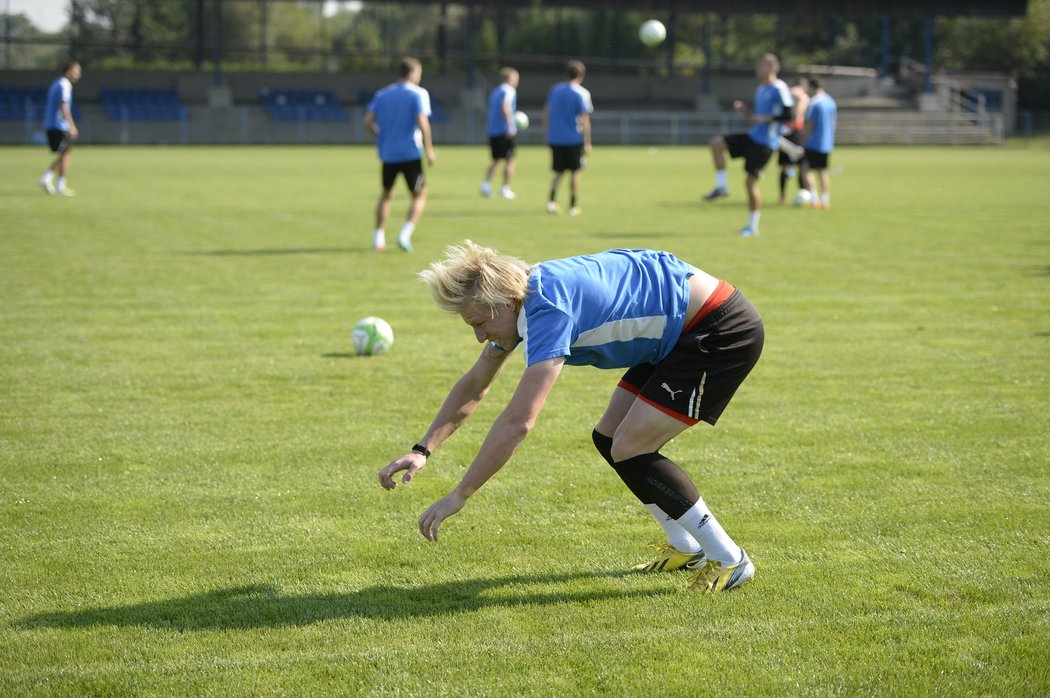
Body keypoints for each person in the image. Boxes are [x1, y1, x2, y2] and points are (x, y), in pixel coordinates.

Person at [378, 241, 765, 593]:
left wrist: (460, 495)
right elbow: (476, 385)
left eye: (479, 324)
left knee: (631, 447)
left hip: (716, 329)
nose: (480, 337)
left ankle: (730, 557)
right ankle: (687, 547)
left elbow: (518, 422)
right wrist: (423, 449)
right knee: (610, 438)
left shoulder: (548, 310)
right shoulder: (524, 296)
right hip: (677, 333)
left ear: (503, 303)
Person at [703, 53, 794, 237]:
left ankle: (752, 227)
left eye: (761, 65)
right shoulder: (761, 89)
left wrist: (765, 118)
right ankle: (722, 186)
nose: (757, 68)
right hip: (753, 137)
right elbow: (756, 117)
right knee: (716, 144)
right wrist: (745, 111)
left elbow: (788, 114)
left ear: (772, 67)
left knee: (750, 183)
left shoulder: (779, 88)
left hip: (765, 144)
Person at [363, 56, 437, 253]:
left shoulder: (383, 94)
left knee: (386, 194)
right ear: (412, 73)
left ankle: (378, 237)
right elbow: (423, 123)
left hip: (388, 154)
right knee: (419, 195)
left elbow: (367, 122)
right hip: (410, 153)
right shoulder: (418, 94)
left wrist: (380, 137)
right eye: (419, 74)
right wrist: (429, 150)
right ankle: (404, 235)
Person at [543, 60, 593, 216]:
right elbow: (584, 119)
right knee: (575, 172)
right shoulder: (582, 93)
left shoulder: (555, 90)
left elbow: (546, 113)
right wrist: (587, 142)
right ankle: (572, 206)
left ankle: (551, 202)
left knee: (558, 172)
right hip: (573, 139)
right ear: (581, 75)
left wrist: (547, 135)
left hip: (556, 138)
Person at [39, 60, 82, 197]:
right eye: (77, 71)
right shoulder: (64, 85)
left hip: (52, 125)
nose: (79, 74)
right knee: (66, 154)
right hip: (58, 126)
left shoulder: (56, 83)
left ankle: (49, 179)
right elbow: (63, 105)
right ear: (70, 70)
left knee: (65, 154)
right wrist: (71, 125)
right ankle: (57, 184)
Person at [481, 67, 520, 200]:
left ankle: (485, 186)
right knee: (510, 160)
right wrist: (510, 126)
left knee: (496, 159)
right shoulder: (509, 90)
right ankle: (505, 188)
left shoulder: (496, 91)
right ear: (510, 78)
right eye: (516, 78)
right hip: (504, 131)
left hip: (493, 130)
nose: (517, 81)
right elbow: (505, 106)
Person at [800, 77, 837, 210]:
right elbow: (833, 123)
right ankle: (825, 200)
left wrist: (803, 138)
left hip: (813, 142)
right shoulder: (831, 101)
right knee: (823, 172)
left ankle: (814, 199)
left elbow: (810, 124)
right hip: (827, 143)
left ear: (811, 87)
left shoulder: (814, 103)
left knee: (805, 170)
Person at [778, 78, 811, 205]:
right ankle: (803, 192)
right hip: (795, 131)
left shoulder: (787, 92)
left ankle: (782, 197)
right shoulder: (802, 95)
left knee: (785, 167)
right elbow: (798, 113)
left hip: (784, 131)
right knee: (801, 165)